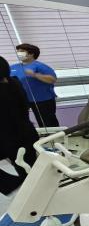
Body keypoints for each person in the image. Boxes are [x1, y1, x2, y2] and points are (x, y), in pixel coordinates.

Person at [0, 56, 39, 195]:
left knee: (29, 172)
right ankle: (18, 185)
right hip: (26, 134)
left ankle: (20, 187)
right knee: (30, 169)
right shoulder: (14, 82)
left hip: (13, 139)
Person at [10, 43, 59, 128]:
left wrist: (35, 75)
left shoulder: (40, 66)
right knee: (20, 121)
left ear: (31, 53)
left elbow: (52, 79)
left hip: (43, 100)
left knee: (47, 122)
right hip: (22, 100)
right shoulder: (13, 67)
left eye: (22, 51)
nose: (19, 53)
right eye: (18, 51)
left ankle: (54, 136)